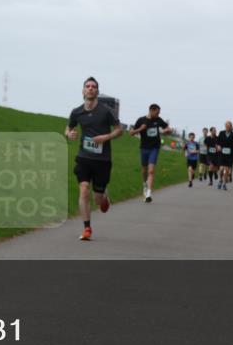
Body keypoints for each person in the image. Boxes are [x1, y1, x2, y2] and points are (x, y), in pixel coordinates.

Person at [66, 77, 123, 240]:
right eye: (87, 86)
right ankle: (87, 229)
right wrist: (69, 134)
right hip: (84, 157)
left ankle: (104, 194)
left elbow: (119, 130)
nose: (90, 88)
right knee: (84, 190)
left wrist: (106, 137)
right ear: (83, 91)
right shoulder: (76, 112)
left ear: (97, 91)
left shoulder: (106, 111)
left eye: (93, 86)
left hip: (102, 160)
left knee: (98, 201)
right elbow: (69, 127)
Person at [129, 104, 170, 203]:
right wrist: (140, 129)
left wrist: (164, 131)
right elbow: (131, 133)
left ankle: (148, 193)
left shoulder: (158, 120)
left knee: (151, 171)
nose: (158, 115)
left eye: (159, 113)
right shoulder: (141, 120)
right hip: (144, 148)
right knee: (144, 170)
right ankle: (144, 184)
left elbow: (168, 129)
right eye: (157, 113)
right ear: (151, 110)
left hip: (154, 148)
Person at [217, 121, 233, 190]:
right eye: (226, 126)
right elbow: (218, 142)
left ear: (231, 127)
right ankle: (220, 180)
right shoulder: (221, 133)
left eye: (229, 126)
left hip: (230, 155)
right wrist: (218, 146)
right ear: (225, 126)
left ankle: (224, 184)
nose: (227, 127)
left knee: (226, 170)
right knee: (221, 169)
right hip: (222, 153)